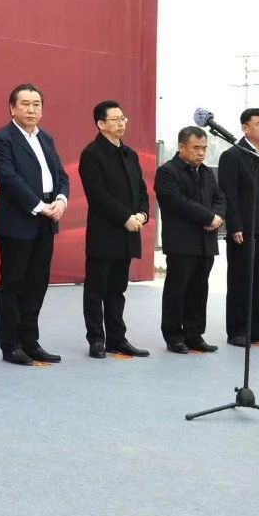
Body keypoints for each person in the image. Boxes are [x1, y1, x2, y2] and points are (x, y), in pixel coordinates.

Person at [0, 83, 70, 365]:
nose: (31, 109)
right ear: (12, 108)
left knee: (37, 282)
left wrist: (60, 200)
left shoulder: (46, 138)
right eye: (25, 104)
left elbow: (61, 174)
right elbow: (8, 178)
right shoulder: (1, 138)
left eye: (37, 104)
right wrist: (40, 206)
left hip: (47, 219)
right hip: (18, 221)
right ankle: (11, 345)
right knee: (14, 283)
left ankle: (30, 341)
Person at [76, 100, 150, 358]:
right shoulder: (92, 154)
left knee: (118, 289)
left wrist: (142, 214)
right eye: (115, 119)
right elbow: (97, 195)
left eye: (123, 118)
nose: (121, 123)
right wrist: (124, 217)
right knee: (96, 289)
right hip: (104, 233)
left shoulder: (130, 154)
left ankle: (117, 339)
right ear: (101, 124)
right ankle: (96, 339)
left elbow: (141, 190)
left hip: (128, 232)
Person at [217, 108, 259, 347]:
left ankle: (257, 329)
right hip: (244, 230)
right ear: (245, 128)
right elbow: (229, 194)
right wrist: (235, 225)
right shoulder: (233, 156)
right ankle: (237, 330)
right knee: (241, 281)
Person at [154, 127, 226, 353]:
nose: (201, 153)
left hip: (206, 242)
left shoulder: (206, 172)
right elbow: (178, 203)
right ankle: (174, 335)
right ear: (181, 147)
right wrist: (209, 217)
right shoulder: (167, 171)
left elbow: (220, 198)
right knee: (177, 290)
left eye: (204, 148)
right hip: (182, 242)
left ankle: (195, 334)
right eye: (196, 148)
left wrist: (218, 216)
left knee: (199, 290)